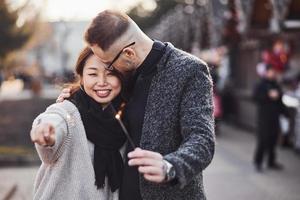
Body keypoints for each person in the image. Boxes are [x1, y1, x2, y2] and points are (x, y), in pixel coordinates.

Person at [58, 10, 215, 200]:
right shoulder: (125, 74)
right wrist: (76, 97)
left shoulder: (190, 70)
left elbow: (202, 139)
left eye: (109, 64)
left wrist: (170, 166)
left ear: (129, 53)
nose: (109, 72)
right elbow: (102, 107)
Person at [30, 47, 127, 199]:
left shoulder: (127, 117)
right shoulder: (69, 110)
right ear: (81, 77)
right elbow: (56, 119)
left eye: (111, 73)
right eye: (92, 74)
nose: (101, 82)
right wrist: (46, 131)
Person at [253, 64, 286, 172]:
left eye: (274, 71)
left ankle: (271, 161)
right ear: (266, 72)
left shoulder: (276, 84)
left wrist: (285, 113)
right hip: (264, 116)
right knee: (263, 139)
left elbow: (280, 99)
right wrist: (268, 95)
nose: (273, 73)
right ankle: (258, 162)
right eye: (271, 71)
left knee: (273, 138)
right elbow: (255, 97)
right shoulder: (261, 84)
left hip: (275, 116)